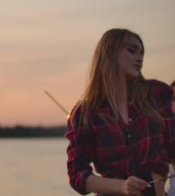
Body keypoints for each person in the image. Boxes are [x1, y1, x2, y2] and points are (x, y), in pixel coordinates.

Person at [66, 28, 174, 196]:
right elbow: (77, 175)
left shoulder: (157, 94)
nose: (139, 58)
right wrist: (122, 186)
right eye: (131, 51)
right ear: (110, 53)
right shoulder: (86, 113)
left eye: (141, 53)